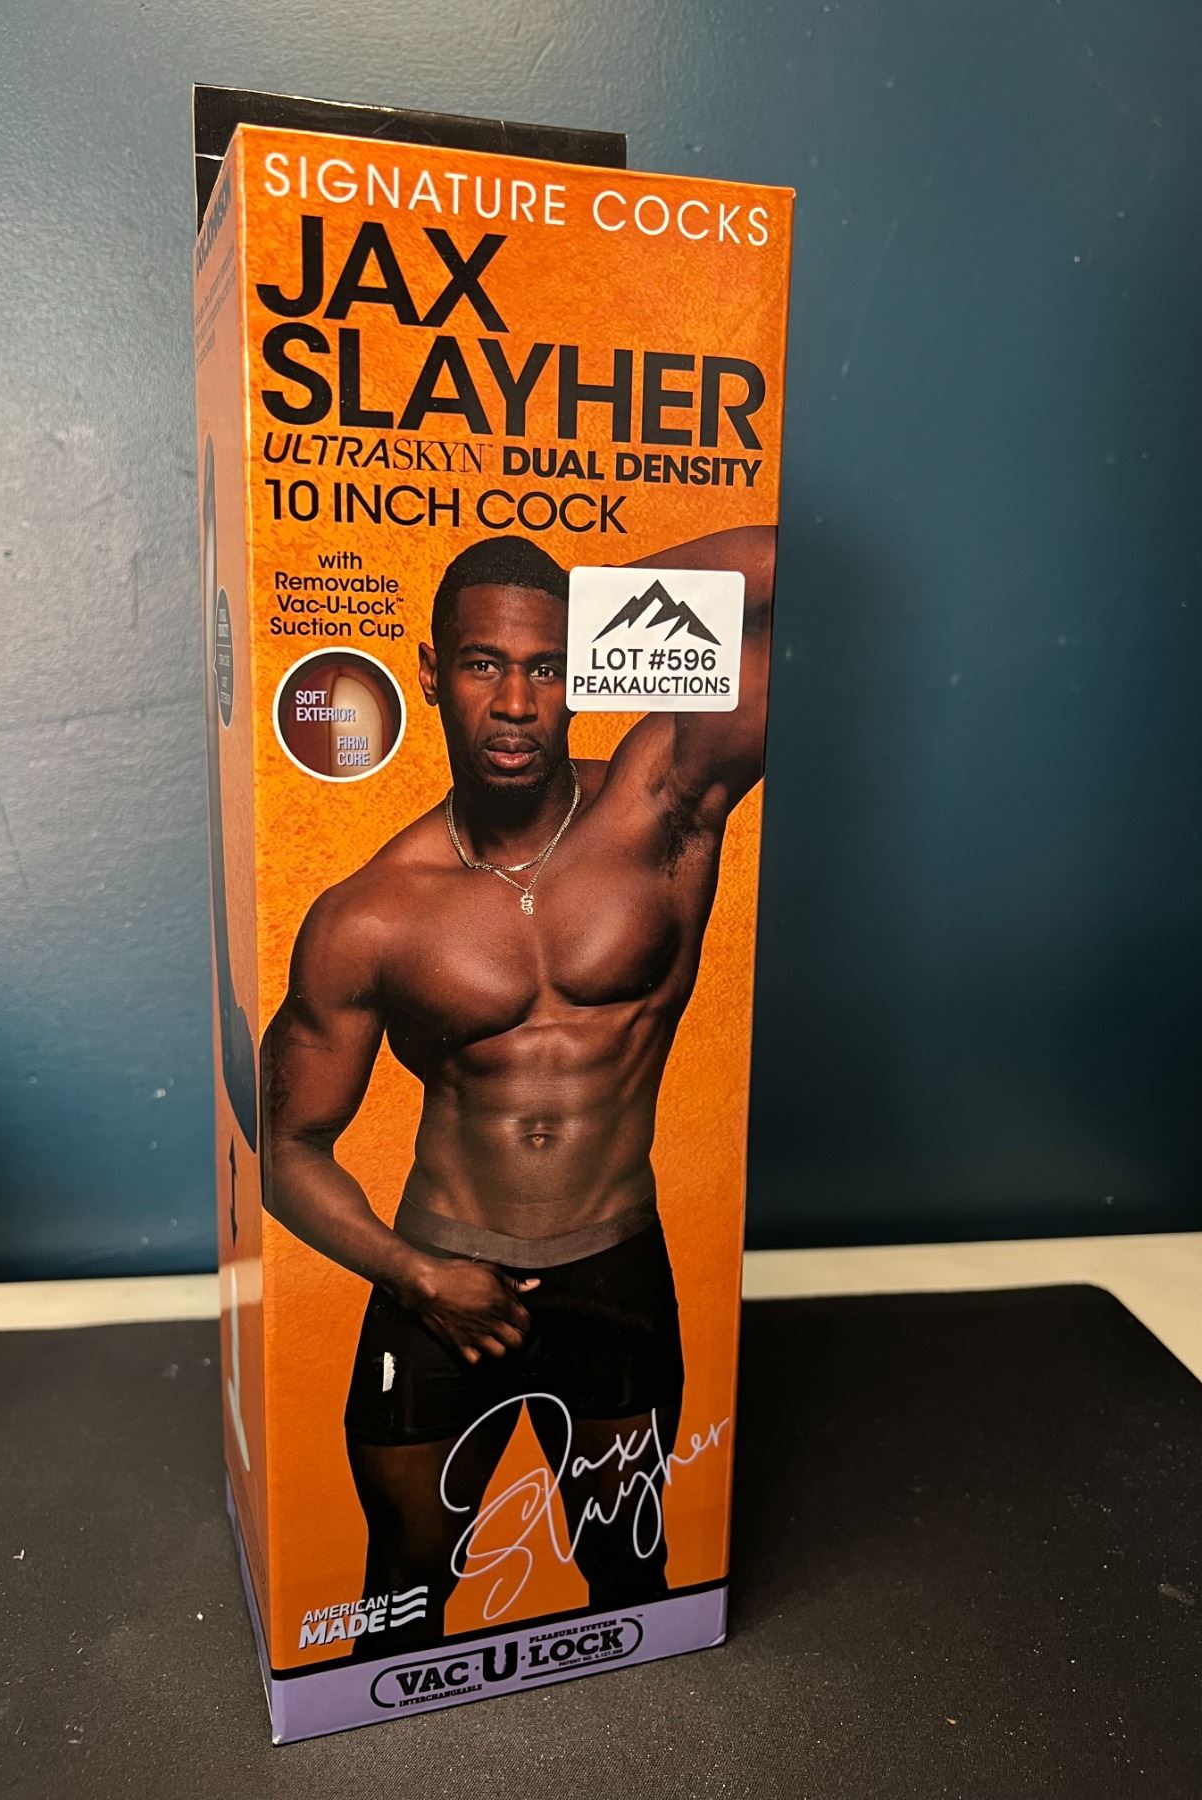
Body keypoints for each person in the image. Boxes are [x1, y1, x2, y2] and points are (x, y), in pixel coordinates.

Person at [261, 524, 775, 1649]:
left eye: (547, 667)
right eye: (483, 664)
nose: (514, 702)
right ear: (430, 673)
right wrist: (415, 1274)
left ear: (583, 668)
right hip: (439, 1272)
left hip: (616, 1268)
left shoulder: (663, 807)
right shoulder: (370, 914)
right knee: (402, 1592)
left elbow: (787, 571)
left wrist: (600, 608)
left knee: (629, 1570)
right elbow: (286, 1148)